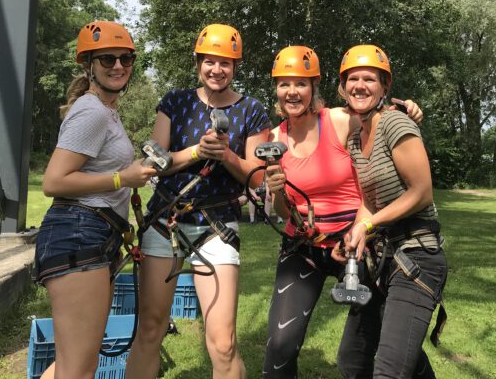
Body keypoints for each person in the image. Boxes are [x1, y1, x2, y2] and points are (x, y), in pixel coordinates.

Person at [261, 46, 424, 378]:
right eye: (284, 84)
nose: (292, 92)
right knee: (279, 346)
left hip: (356, 243)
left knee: (379, 341)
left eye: (301, 84)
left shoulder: (336, 120)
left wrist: (409, 110)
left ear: (314, 87)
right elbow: (280, 212)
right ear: (276, 89)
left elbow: (378, 114)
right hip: (303, 246)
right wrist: (276, 191)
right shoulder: (273, 138)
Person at [125, 23, 271, 379]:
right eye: (209, 61)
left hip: (217, 224)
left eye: (225, 63)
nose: (216, 69)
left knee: (222, 341)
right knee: (150, 330)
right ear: (198, 63)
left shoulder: (252, 110)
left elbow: (259, 177)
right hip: (166, 218)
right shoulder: (176, 101)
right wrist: (195, 152)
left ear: (236, 67)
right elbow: (153, 162)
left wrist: (226, 156)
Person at [33, 21, 157, 379]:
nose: (118, 66)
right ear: (88, 65)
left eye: (126, 58)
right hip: (79, 233)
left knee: (74, 364)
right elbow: (54, 181)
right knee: (79, 370)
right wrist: (123, 177)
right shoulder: (92, 111)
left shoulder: (106, 111)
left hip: (94, 234)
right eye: (107, 59)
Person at [334, 44, 447, 379]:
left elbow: (422, 192)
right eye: (352, 78)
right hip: (383, 258)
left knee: (389, 371)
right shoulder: (356, 139)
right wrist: (356, 235)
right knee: (353, 361)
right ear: (343, 87)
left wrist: (369, 224)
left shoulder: (396, 124)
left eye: (370, 79)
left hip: (417, 257)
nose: (359, 85)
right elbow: (370, 199)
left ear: (384, 87)